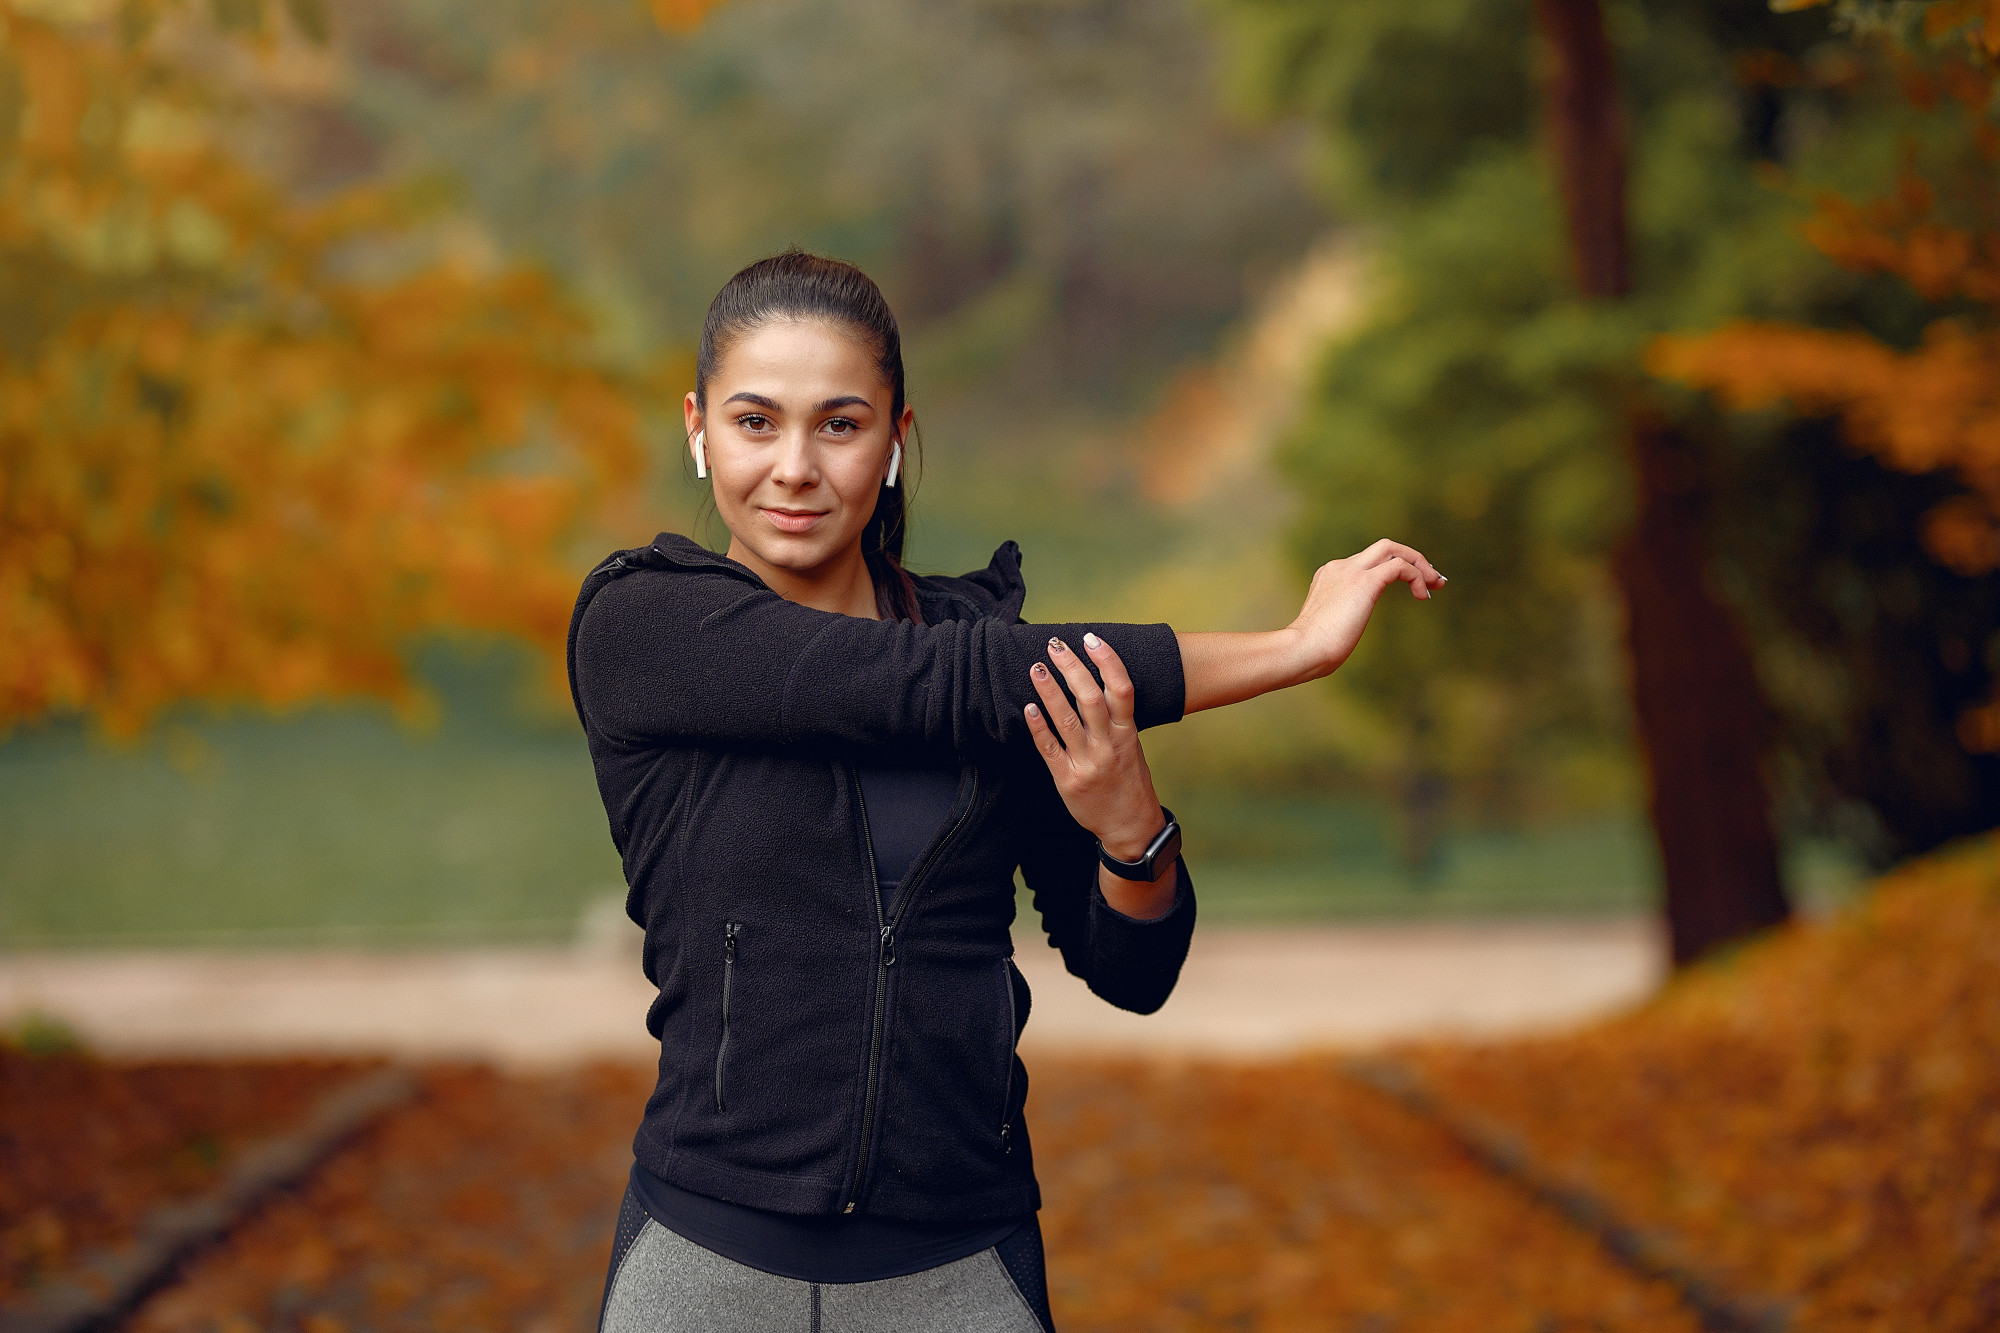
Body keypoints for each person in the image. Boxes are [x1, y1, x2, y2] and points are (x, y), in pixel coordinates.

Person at [568, 250, 1442, 1332]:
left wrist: (1131, 831)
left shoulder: (989, 660)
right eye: (756, 422)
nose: (793, 465)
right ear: (697, 427)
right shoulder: (646, 626)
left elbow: (1132, 972)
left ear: (895, 438)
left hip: (956, 1266)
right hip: (707, 1261)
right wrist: (1292, 648)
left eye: (838, 424)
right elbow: (914, 687)